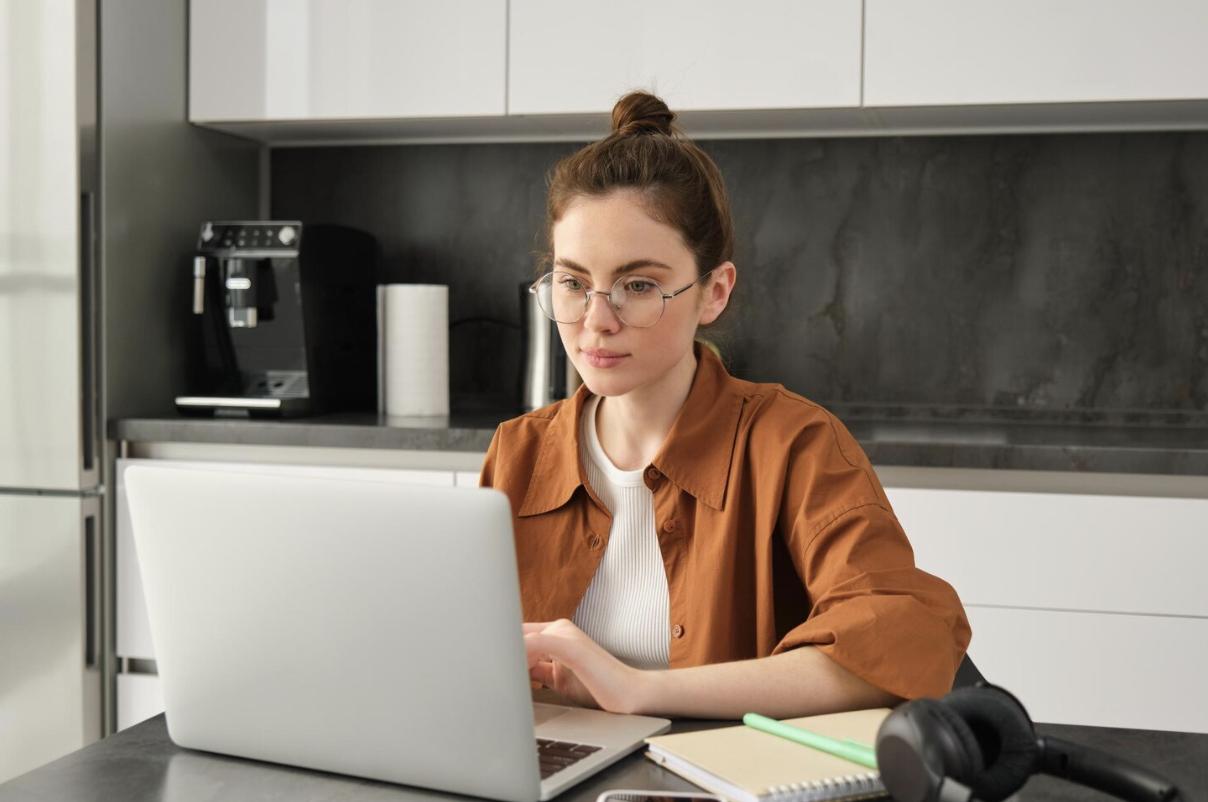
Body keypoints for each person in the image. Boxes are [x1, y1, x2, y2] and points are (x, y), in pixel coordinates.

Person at [480, 91, 970, 720]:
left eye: (638, 286)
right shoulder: (517, 452)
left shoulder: (794, 444)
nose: (595, 322)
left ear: (713, 292)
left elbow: (904, 636)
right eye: (574, 284)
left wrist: (639, 689)